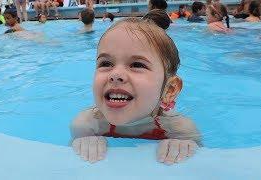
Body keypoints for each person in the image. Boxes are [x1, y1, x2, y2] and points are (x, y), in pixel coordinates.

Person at [71, 17, 202, 164]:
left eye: (137, 65)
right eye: (106, 63)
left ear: (169, 90)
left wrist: (182, 145)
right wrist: (85, 141)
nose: (115, 75)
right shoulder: (87, 124)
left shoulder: (180, 129)